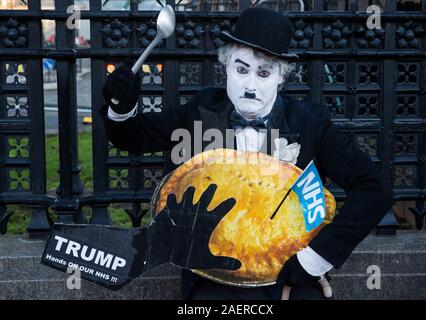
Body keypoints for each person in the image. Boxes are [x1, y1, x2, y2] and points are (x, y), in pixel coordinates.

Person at [100, 7, 393, 300]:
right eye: (241, 69)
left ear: (281, 76)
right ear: (225, 67)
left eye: (263, 72)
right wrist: (121, 106)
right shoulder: (200, 111)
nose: (250, 85)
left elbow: (374, 190)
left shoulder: (310, 122)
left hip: (288, 277)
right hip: (212, 277)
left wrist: (315, 259)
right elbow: (134, 137)